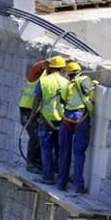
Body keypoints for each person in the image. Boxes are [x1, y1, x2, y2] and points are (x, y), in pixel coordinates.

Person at [57, 61, 97, 194]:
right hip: (81, 118)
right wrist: (95, 84)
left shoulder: (66, 85)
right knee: (79, 153)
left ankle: (61, 183)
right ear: (79, 71)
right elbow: (89, 90)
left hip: (66, 119)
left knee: (64, 152)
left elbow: (64, 99)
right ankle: (78, 186)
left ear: (68, 74)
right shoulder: (84, 79)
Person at [31, 56, 68, 185]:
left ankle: (47, 176)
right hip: (62, 120)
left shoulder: (44, 81)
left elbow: (37, 99)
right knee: (59, 149)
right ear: (62, 68)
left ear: (50, 68)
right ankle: (60, 176)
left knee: (46, 148)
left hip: (45, 119)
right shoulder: (66, 82)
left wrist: (33, 113)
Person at [19, 57, 51, 173]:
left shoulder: (48, 78)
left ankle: (37, 162)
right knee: (35, 135)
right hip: (27, 110)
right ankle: (31, 163)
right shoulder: (35, 75)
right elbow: (36, 67)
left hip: (36, 111)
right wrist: (44, 64)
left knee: (39, 136)